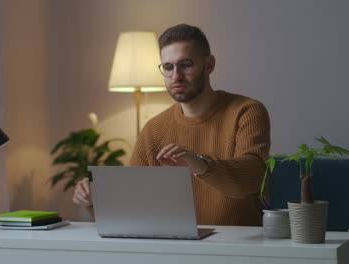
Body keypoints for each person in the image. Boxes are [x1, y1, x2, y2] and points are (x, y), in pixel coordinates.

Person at [72, 24, 270, 226]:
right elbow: (132, 212)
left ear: (209, 65)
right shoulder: (154, 129)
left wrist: (200, 163)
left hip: (241, 246)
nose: (176, 76)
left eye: (186, 65)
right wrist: (93, 200)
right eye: (168, 67)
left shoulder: (246, 111)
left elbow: (253, 177)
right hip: (175, 248)